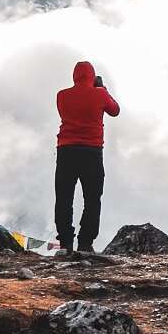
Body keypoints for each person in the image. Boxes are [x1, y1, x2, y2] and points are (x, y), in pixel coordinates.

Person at [55, 61, 120, 252]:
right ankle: (85, 243)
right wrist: (102, 89)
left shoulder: (62, 95)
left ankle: (65, 243)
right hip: (91, 152)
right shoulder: (100, 94)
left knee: (64, 198)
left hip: (66, 151)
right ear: (92, 76)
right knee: (92, 199)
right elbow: (114, 110)